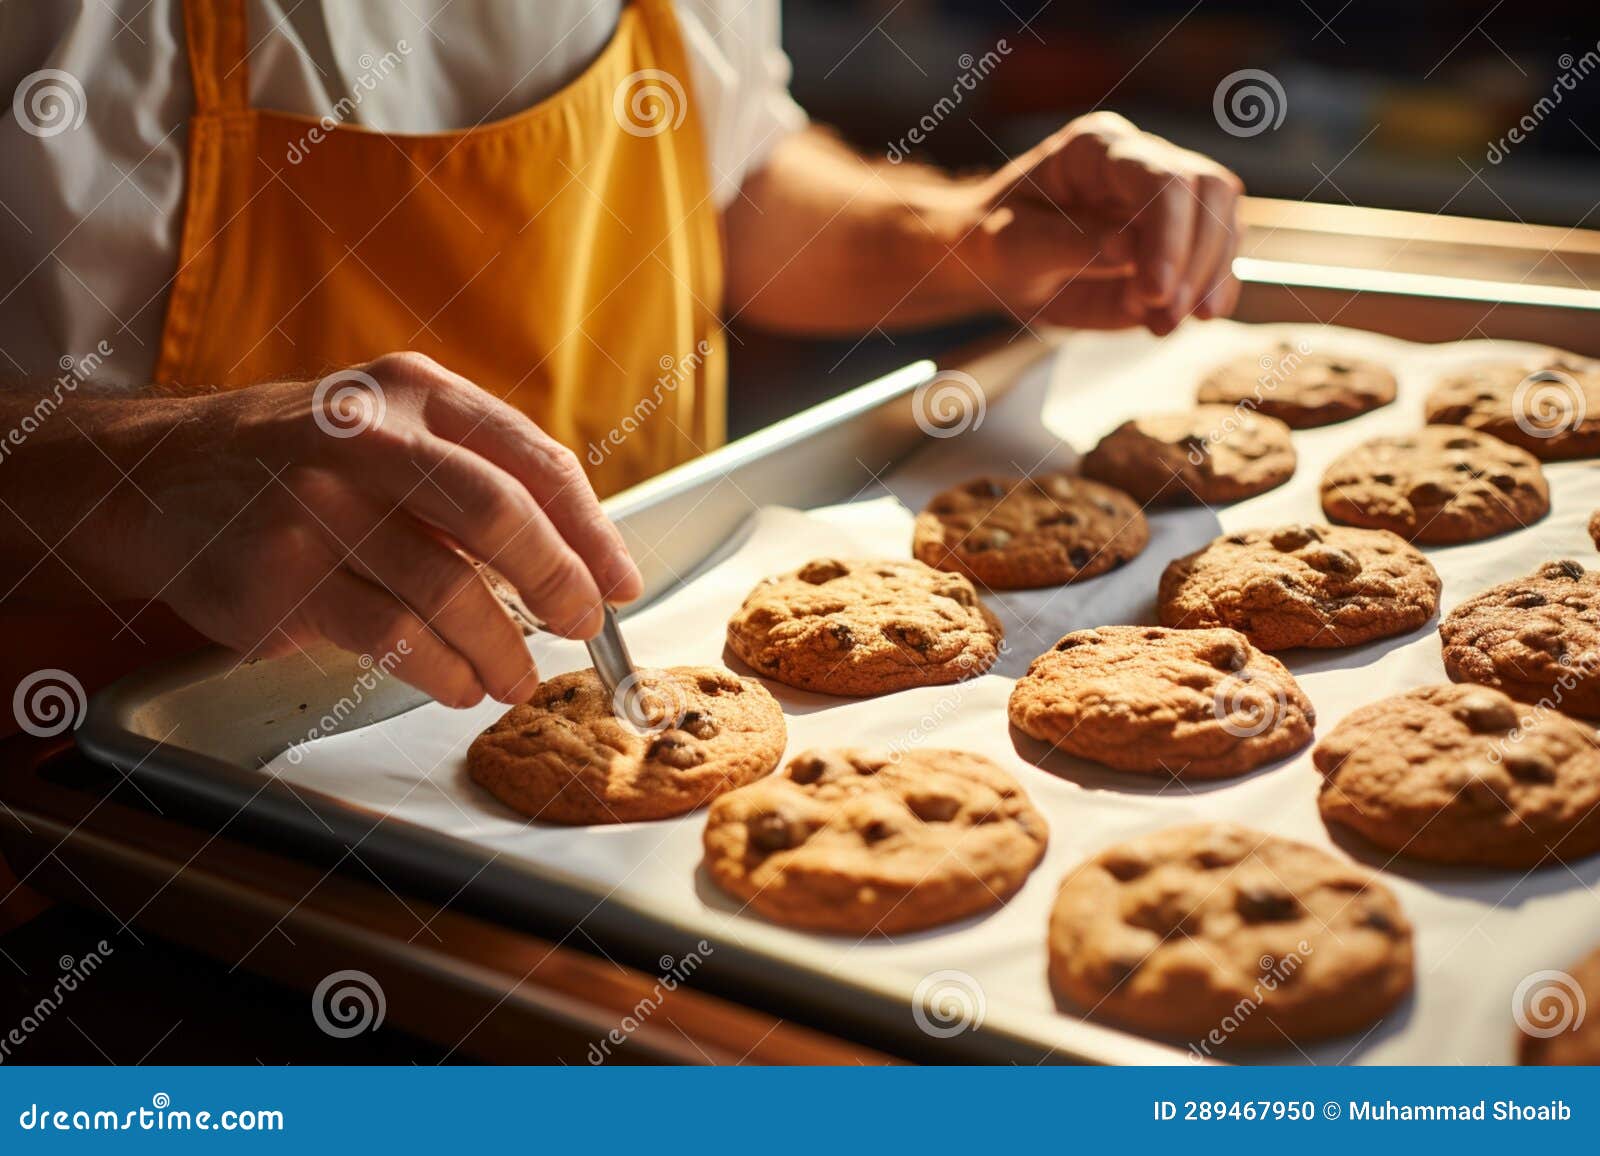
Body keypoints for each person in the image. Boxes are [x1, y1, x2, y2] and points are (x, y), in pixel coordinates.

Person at [0, 1, 1243, 718]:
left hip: (656, 622)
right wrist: (128, 470)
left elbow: (733, 174)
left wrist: (963, 238)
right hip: (120, 769)